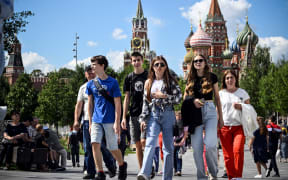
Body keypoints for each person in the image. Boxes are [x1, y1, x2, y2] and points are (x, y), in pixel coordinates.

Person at [137, 55, 182, 180]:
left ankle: (167, 178)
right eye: (156, 64)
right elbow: (145, 102)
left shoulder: (170, 81)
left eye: (162, 64)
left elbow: (179, 98)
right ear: (152, 67)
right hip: (153, 114)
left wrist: (164, 96)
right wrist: (143, 119)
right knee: (150, 143)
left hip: (167, 114)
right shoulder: (149, 82)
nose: (159, 67)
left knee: (167, 147)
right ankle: (144, 172)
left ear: (165, 67)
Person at [87, 55, 127, 180]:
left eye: (94, 64)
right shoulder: (91, 84)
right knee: (94, 143)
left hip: (110, 120)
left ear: (102, 65)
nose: (92, 67)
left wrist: (117, 122)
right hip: (96, 120)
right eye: (92, 64)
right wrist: (90, 122)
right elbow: (90, 104)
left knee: (112, 148)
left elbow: (117, 103)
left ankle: (121, 165)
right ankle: (100, 173)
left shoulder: (113, 82)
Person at [183, 54, 223, 180]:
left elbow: (217, 97)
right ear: (193, 64)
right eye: (195, 61)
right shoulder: (190, 78)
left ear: (205, 63)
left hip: (210, 109)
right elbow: (185, 99)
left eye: (201, 60)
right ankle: (201, 176)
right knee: (196, 148)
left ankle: (213, 172)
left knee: (210, 144)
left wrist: (220, 117)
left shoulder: (212, 77)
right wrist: (192, 101)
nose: (198, 62)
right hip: (195, 112)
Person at [73, 65, 116, 179]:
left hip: (100, 120)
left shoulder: (101, 84)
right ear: (85, 74)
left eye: (92, 71)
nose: (91, 73)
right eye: (88, 72)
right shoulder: (82, 88)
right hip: (87, 120)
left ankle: (110, 163)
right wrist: (76, 120)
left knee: (101, 145)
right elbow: (79, 106)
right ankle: (90, 171)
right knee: (88, 146)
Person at [218, 70, 249, 180]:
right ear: (224, 81)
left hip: (239, 127)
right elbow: (218, 110)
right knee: (227, 155)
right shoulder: (221, 93)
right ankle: (231, 177)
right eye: (227, 78)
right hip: (224, 127)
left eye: (231, 77)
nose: (229, 80)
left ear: (236, 79)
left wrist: (242, 107)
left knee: (238, 151)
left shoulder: (243, 93)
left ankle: (238, 176)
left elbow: (250, 109)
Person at [121, 51, 148, 169]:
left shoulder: (148, 75)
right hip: (133, 114)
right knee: (137, 144)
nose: (136, 62)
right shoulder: (129, 78)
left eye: (138, 60)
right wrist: (123, 117)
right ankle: (142, 169)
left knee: (144, 142)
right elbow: (127, 98)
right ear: (131, 62)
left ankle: (148, 165)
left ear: (142, 61)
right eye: (134, 60)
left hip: (146, 113)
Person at [173, 111, 185, 176]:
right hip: (173, 141)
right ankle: (175, 169)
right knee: (173, 156)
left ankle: (179, 170)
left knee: (178, 156)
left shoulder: (183, 123)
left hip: (180, 141)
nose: (179, 117)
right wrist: (173, 141)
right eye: (178, 116)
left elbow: (184, 132)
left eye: (180, 116)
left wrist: (182, 142)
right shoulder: (173, 123)